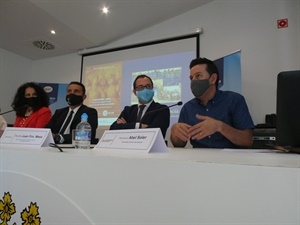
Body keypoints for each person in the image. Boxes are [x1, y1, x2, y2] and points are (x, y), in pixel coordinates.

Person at [171, 57, 254, 148]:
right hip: (198, 160)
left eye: (198, 76)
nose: (194, 81)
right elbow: (179, 144)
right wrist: (175, 133)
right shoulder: (188, 108)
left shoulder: (234, 100)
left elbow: (247, 140)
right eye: (191, 78)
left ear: (213, 79)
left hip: (228, 160)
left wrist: (220, 127)